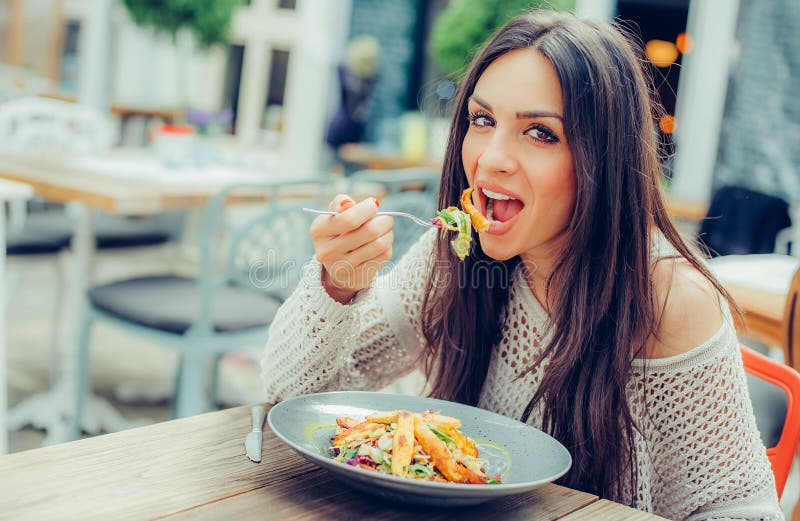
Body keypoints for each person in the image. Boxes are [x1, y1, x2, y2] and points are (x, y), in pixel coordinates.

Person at [262, 11, 781, 520]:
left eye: (540, 133)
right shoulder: (457, 255)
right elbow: (289, 399)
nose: (490, 159)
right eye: (482, 120)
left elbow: (743, 512)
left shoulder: (667, 299)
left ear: (603, 159)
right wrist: (337, 287)